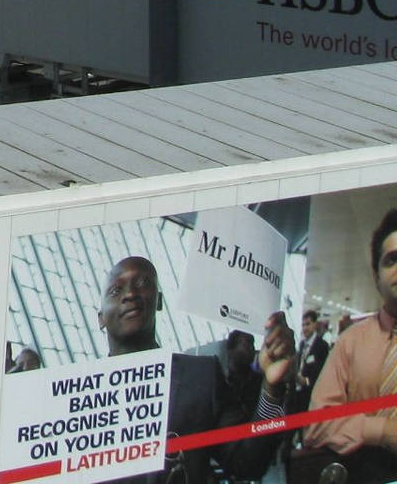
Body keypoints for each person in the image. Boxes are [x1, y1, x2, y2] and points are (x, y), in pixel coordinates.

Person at [96, 255, 288, 484]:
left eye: (143, 283)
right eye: (116, 291)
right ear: (100, 318)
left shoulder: (200, 377)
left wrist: (272, 389)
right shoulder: (73, 395)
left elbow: (247, 462)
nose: (130, 294)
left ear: (158, 300)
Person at [297, 207, 397, 467]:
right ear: (376, 277)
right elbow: (316, 425)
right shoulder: (349, 343)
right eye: (392, 260)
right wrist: (383, 431)